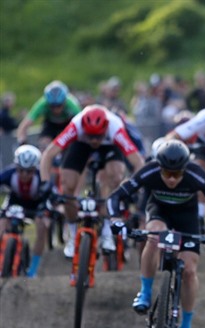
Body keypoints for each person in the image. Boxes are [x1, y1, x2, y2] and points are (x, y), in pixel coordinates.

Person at [107, 139, 205, 328]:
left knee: (189, 271)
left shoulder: (196, 174)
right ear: (159, 167)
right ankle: (146, 291)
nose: (171, 179)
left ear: (184, 170)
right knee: (152, 236)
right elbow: (116, 197)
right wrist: (115, 219)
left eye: (176, 174)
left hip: (187, 219)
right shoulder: (149, 171)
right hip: (159, 212)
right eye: (166, 173)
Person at [39, 104, 145, 258]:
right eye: (91, 136)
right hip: (81, 145)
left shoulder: (115, 128)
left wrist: (133, 187)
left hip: (110, 147)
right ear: (84, 130)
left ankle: (108, 231)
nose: (94, 140)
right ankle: (73, 235)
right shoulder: (76, 126)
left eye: (98, 136)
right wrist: (45, 183)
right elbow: (48, 155)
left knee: (115, 176)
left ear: (105, 129)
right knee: (67, 185)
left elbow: (138, 162)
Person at [0, 145, 49, 277]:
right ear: (16, 167)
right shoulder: (9, 174)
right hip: (14, 203)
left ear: (35, 169)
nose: (24, 174)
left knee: (42, 226)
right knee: (2, 225)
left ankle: (33, 269)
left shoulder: (41, 177)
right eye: (21, 170)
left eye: (29, 171)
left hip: (35, 206)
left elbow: (52, 195)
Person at [16, 80, 82, 150]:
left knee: (71, 145)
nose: (56, 110)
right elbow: (24, 125)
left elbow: (82, 123)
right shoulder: (42, 104)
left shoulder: (72, 104)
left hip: (67, 123)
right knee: (44, 144)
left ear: (64, 101)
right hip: (50, 124)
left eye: (59, 106)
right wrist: (22, 142)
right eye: (52, 106)